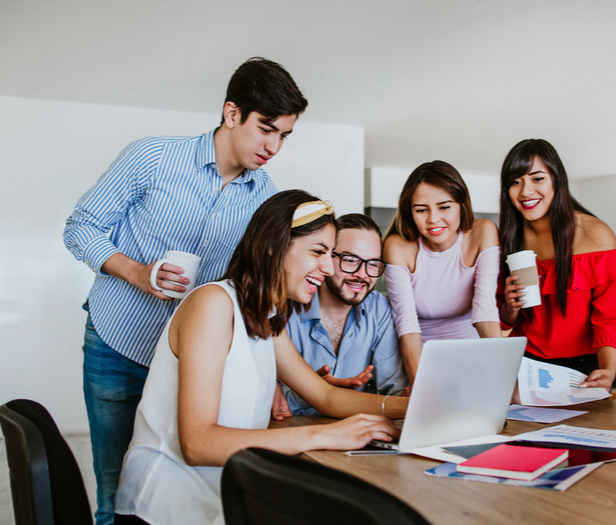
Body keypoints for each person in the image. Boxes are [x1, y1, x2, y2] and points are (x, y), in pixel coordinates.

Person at [62, 57, 307, 525]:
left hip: (193, 366)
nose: (274, 146)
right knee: (117, 492)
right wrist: (136, 272)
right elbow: (81, 228)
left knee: (181, 483)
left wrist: (272, 376)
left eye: (284, 136)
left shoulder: (265, 195)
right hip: (118, 345)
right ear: (231, 113)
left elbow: (254, 286)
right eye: (266, 129)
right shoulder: (151, 158)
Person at [113, 190, 406, 525]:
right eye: (318, 252)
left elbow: (324, 395)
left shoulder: (266, 317)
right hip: (162, 511)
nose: (327, 268)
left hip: (218, 504)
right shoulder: (213, 304)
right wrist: (326, 435)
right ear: (274, 246)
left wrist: (410, 408)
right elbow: (198, 443)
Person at [498, 139, 616, 390]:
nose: (525, 191)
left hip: (584, 372)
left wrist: (607, 370)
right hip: (525, 368)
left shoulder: (595, 235)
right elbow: (502, 322)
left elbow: (610, 319)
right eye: (515, 182)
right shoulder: (508, 237)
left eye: (537, 179)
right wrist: (509, 308)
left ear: (557, 180)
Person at [271, 213, 407, 419]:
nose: (362, 274)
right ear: (325, 258)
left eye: (372, 264)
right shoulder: (284, 306)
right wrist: (310, 393)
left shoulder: (379, 309)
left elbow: (393, 390)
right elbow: (270, 403)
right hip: (288, 432)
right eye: (351, 260)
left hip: (351, 436)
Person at [383, 160, 502, 384]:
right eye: (421, 210)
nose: (433, 219)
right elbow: (406, 324)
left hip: (475, 359)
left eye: (445, 207)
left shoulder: (483, 231)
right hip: (423, 362)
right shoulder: (397, 246)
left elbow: (485, 309)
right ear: (410, 212)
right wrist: (420, 387)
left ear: (461, 205)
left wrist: (502, 374)